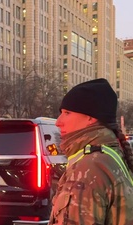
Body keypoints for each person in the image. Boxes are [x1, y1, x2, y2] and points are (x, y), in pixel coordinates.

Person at [49, 78, 133, 225]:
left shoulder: (89, 168)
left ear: (90, 118)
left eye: (67, 113)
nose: (58, 121)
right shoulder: (109, 155)